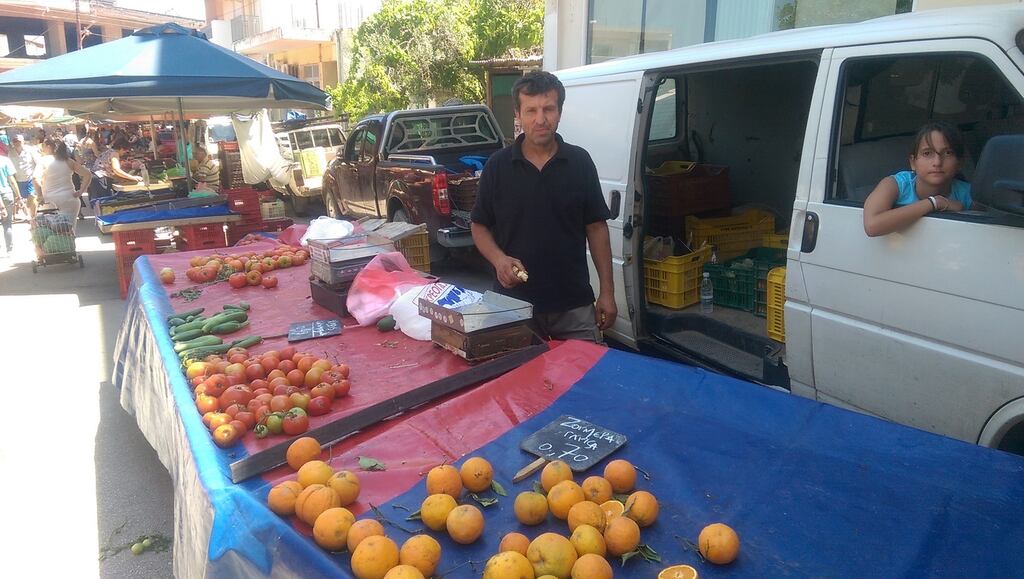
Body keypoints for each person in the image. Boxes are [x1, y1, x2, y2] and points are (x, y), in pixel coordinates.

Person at [470, 70, 616, 342]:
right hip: (512, 306)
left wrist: (607, 292)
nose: (540, 119)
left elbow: (596, 228)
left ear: (560, 111)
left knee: (583, 380)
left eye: (548, 109)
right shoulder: (498, 166)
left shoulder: (580, 162)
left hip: (574, 305)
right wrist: (499, 259)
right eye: (531, 110)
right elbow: (479, 225)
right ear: (518, 114)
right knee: (517, 381)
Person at [863, 122, 974, 237]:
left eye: (947, 153)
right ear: (913, 162)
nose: (937, 162)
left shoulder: (969, 194)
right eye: (927, 153)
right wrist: (935, 202)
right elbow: (872, 225)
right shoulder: (895, 185)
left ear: (960, 162)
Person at [38, 138, 91, 234]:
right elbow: (87, 174)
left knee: (52, 232)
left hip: (50, 200)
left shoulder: (44, 161)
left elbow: (35, 179)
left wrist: (39, 195)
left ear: (50, 148)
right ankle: (71, 247)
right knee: (70, 230)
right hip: (69, 198)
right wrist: (81, 191)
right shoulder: (68, 161)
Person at [9, 134, 42, 220]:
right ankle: (28, 214)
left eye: (18, 141)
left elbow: (39, 163)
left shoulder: (30, 150)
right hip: (18, 180)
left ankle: (33, 216)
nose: (17, 143)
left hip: (30, 178)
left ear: (23, 141)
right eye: (15, 141)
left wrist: (37, 175)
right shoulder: (11, 152)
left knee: (32, 197)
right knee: (20, 199)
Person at [0, 149, 20, 255]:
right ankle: (9, 249)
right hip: (6, 193)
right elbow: (12, 180)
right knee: (7, 224)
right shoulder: (5, 160)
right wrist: (18, 195)